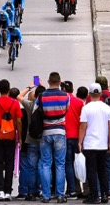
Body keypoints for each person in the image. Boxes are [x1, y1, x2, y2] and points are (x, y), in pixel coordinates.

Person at [39, 72, 71, 204]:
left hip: (45, 132)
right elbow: (66, 110)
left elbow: (37, 110)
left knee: (46, 164)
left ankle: (46, 196)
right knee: (60, 164)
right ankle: (60, 195)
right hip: (60, 132)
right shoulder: (65, 96)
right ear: (59, 82)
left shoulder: (41, 96)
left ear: (48, 81)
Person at [81, 85, 110, 204]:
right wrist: (109, 142)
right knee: (102, 170)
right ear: (101, 94)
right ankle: (105, 195)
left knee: (91, 171)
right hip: (102, 144)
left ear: (89, 94)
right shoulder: (107, 108)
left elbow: (83, 127)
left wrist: (80, 142)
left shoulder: (86, 108)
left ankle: (94, 195)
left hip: (90, 144)